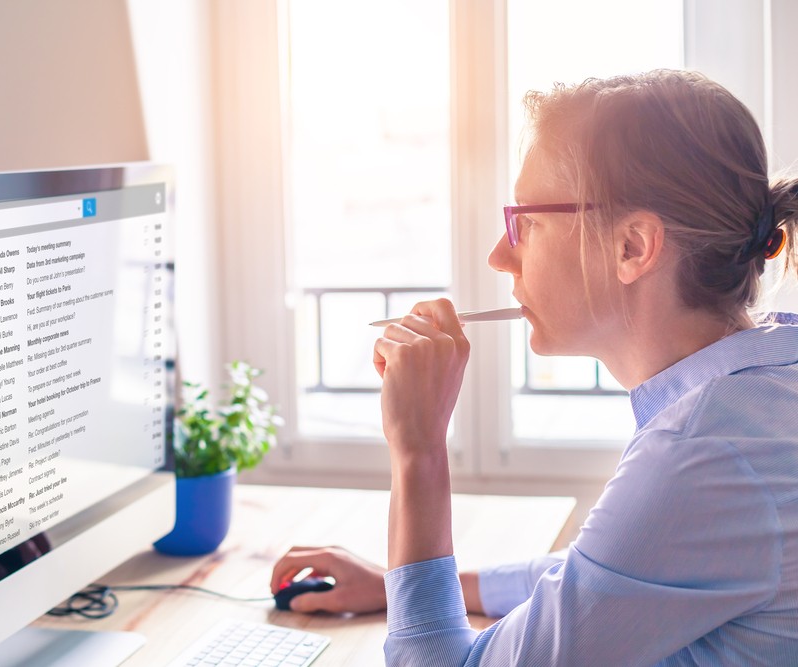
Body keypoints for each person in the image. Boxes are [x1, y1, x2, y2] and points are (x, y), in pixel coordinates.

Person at [270, 69, 798, 665]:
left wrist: (418, 449)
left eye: (527, 223)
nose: (500, 256)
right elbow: (608, 576)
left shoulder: (701, 454)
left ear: (633, 246)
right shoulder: (765, 391)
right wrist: (402, 586)